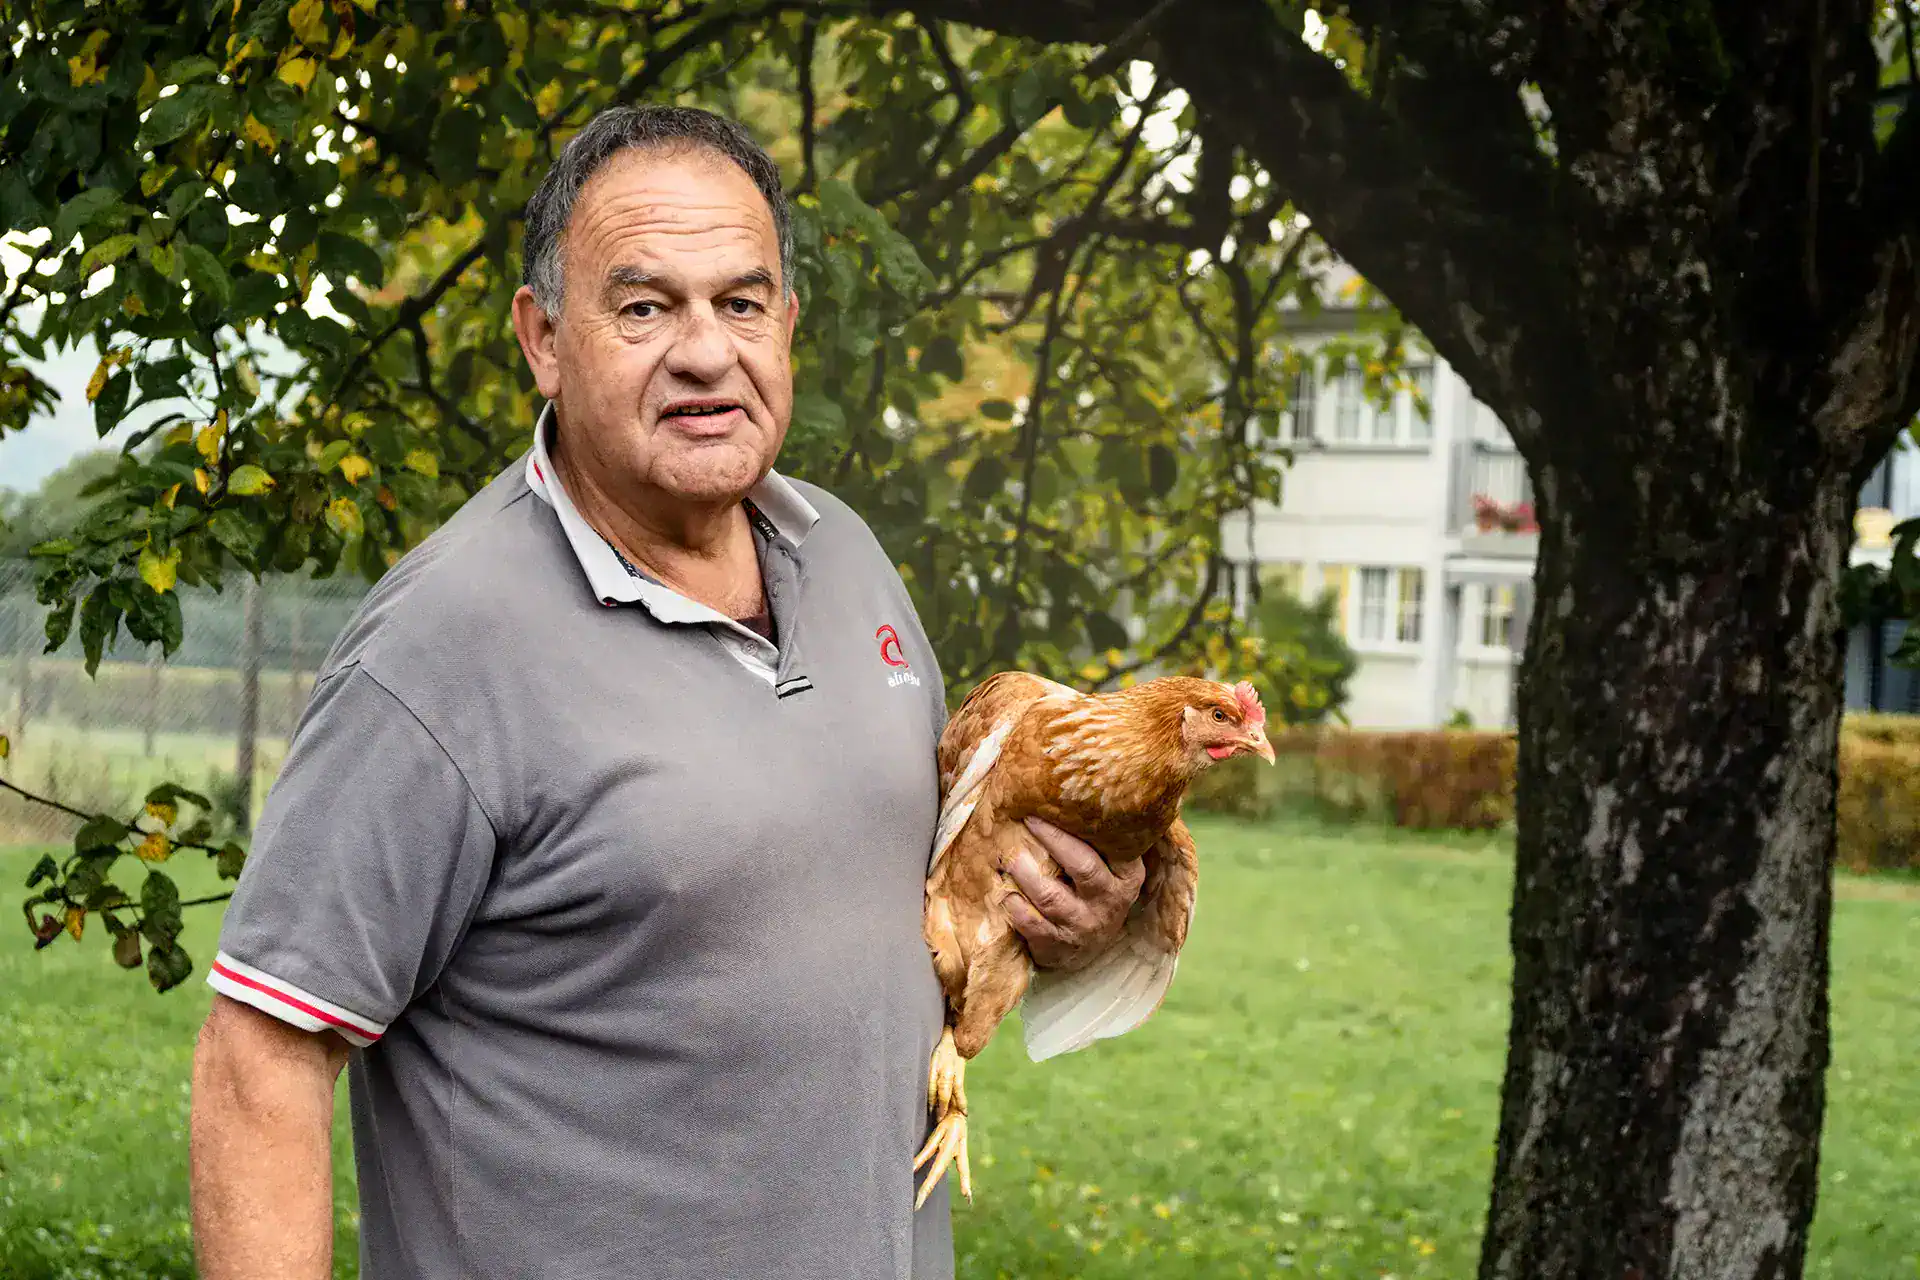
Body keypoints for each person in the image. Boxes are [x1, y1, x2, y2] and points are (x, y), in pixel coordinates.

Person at [187, 104, 1147, 1280]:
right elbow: (262, 1055)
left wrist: (1063, 918)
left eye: (741, 302)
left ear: (789, 325)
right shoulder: (444, 645)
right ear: (542, 337)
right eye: (644, 306)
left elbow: (899, 892)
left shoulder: (846, 558)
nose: (706, 350)